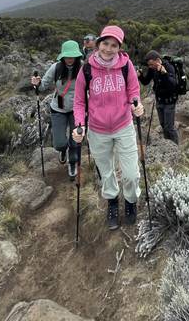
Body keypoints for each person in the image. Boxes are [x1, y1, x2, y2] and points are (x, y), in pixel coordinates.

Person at [72, 25, 144, 230]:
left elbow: (133, 90)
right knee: (107, 172)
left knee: (131, 174)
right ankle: (112, 201)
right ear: (98, 43)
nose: (108, 49)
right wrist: (79, 125)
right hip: (97, 130)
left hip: (123, 125)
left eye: (114, 45)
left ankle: (130, 201)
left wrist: (136, 104)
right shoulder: (86, 68)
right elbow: (79, 102)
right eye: (105, 43)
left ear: (119, 47)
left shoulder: (125, 65)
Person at [31, 40, 83, 181]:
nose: (70, 59)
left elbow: (91, 86)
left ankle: (72, 163)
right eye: (67, 56)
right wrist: (37, 83)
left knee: (75, 141)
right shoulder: (56, 68)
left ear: (77, 56)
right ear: (62, 56)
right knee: (59, 143)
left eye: (72, 56)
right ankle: (62, 152)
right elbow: (42, 87)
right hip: (58, 108)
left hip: (76, 109)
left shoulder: (83, 68)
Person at [138, 50, 179, 144]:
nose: (150, 67)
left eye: (151, 64)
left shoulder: (169, 67)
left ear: (157, 60)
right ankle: (168, 143)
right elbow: (146, 81)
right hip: (159, 101)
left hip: (169, 102)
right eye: (149, 65)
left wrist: (164, 73)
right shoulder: (153, 69)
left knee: (169, 127)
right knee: (163, 125)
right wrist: (140, 76)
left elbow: (173, 86)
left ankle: (175, 147)